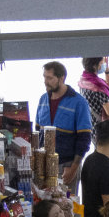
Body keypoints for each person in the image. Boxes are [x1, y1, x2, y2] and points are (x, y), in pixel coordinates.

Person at [36, 61, 93, 191]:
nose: (45, 81)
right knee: (46, 206)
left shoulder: (79, 102)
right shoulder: (42, 100)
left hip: (67, 165)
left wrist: (73, 168)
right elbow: (37, 132)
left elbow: (84, 139)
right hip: (44, 166)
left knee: (67, 205)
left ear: (61, 78)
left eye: (50, 78)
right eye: (44, 77)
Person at [78, 57, 109, 126]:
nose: (105, 64)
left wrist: (107, 70)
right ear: (96, 66)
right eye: (103, 62)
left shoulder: (84, 80)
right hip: (103, 128)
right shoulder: (98, 86)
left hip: (91, 123)